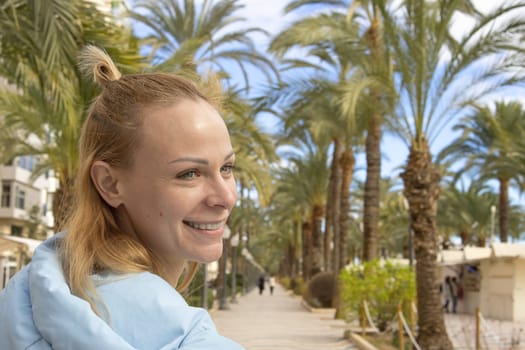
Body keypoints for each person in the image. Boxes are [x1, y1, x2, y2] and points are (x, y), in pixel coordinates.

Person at [0, 45, 244, 349]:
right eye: (189, 174)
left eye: (227, 168)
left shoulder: (21, 303)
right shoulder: (187, 338)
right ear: (110, 184)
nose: (225, 197)